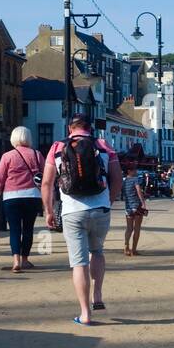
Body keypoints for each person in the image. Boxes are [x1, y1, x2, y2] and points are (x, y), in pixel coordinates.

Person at [41, 114, 122, 325]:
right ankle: (98, 295)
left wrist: (48, 211)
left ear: (70, 129)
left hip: (72, 211)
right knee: (97, 251)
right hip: (100, 209)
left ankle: (85, 313)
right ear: (90, 128)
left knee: (79, 264)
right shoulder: (103, 145)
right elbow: (117, 179)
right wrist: (109, 201)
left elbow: (47, 183)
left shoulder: (57, 147)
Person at [0, 126, 44, 272]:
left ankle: (16, 261)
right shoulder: (37, 154)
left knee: (14, 229)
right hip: (32, 196)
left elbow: (0, 178)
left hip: (11, 196)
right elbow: (45, 177)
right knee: (28, 229)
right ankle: (25, 259)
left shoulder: (7, 156)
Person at [121, 159, 148, 256]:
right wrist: (143, 202)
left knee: (129, 228)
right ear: (129, 171)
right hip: (137, 206)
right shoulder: (135, 179)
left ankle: (126, 246)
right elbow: (139, 191)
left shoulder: (124, 181)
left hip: (128, 207)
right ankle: (134, 249)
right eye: (134, 170)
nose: (136, 171)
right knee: (137, 228)